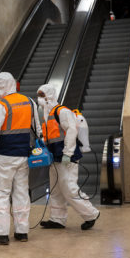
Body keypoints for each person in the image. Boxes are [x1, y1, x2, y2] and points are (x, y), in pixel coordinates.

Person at [0, 72, 41, 245]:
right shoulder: (29, 102)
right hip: (24, 156)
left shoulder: (1, 105)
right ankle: (21, 231)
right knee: (21, 193)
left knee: (0, 194)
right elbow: (37, 129)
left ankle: (0, 234)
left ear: (0, 86)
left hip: (3, 156)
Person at [36, 84, 100, 230]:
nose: (39, 98)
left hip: (66, 157)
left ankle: (91, 214)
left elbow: (72, 131)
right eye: (39, 95)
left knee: (69, 188)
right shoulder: (47, 114)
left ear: (49, 95)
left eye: (42, 95)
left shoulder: (62, 111)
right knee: (55, 189)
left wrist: (68, 153)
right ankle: (57, 219)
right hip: (54, 157)